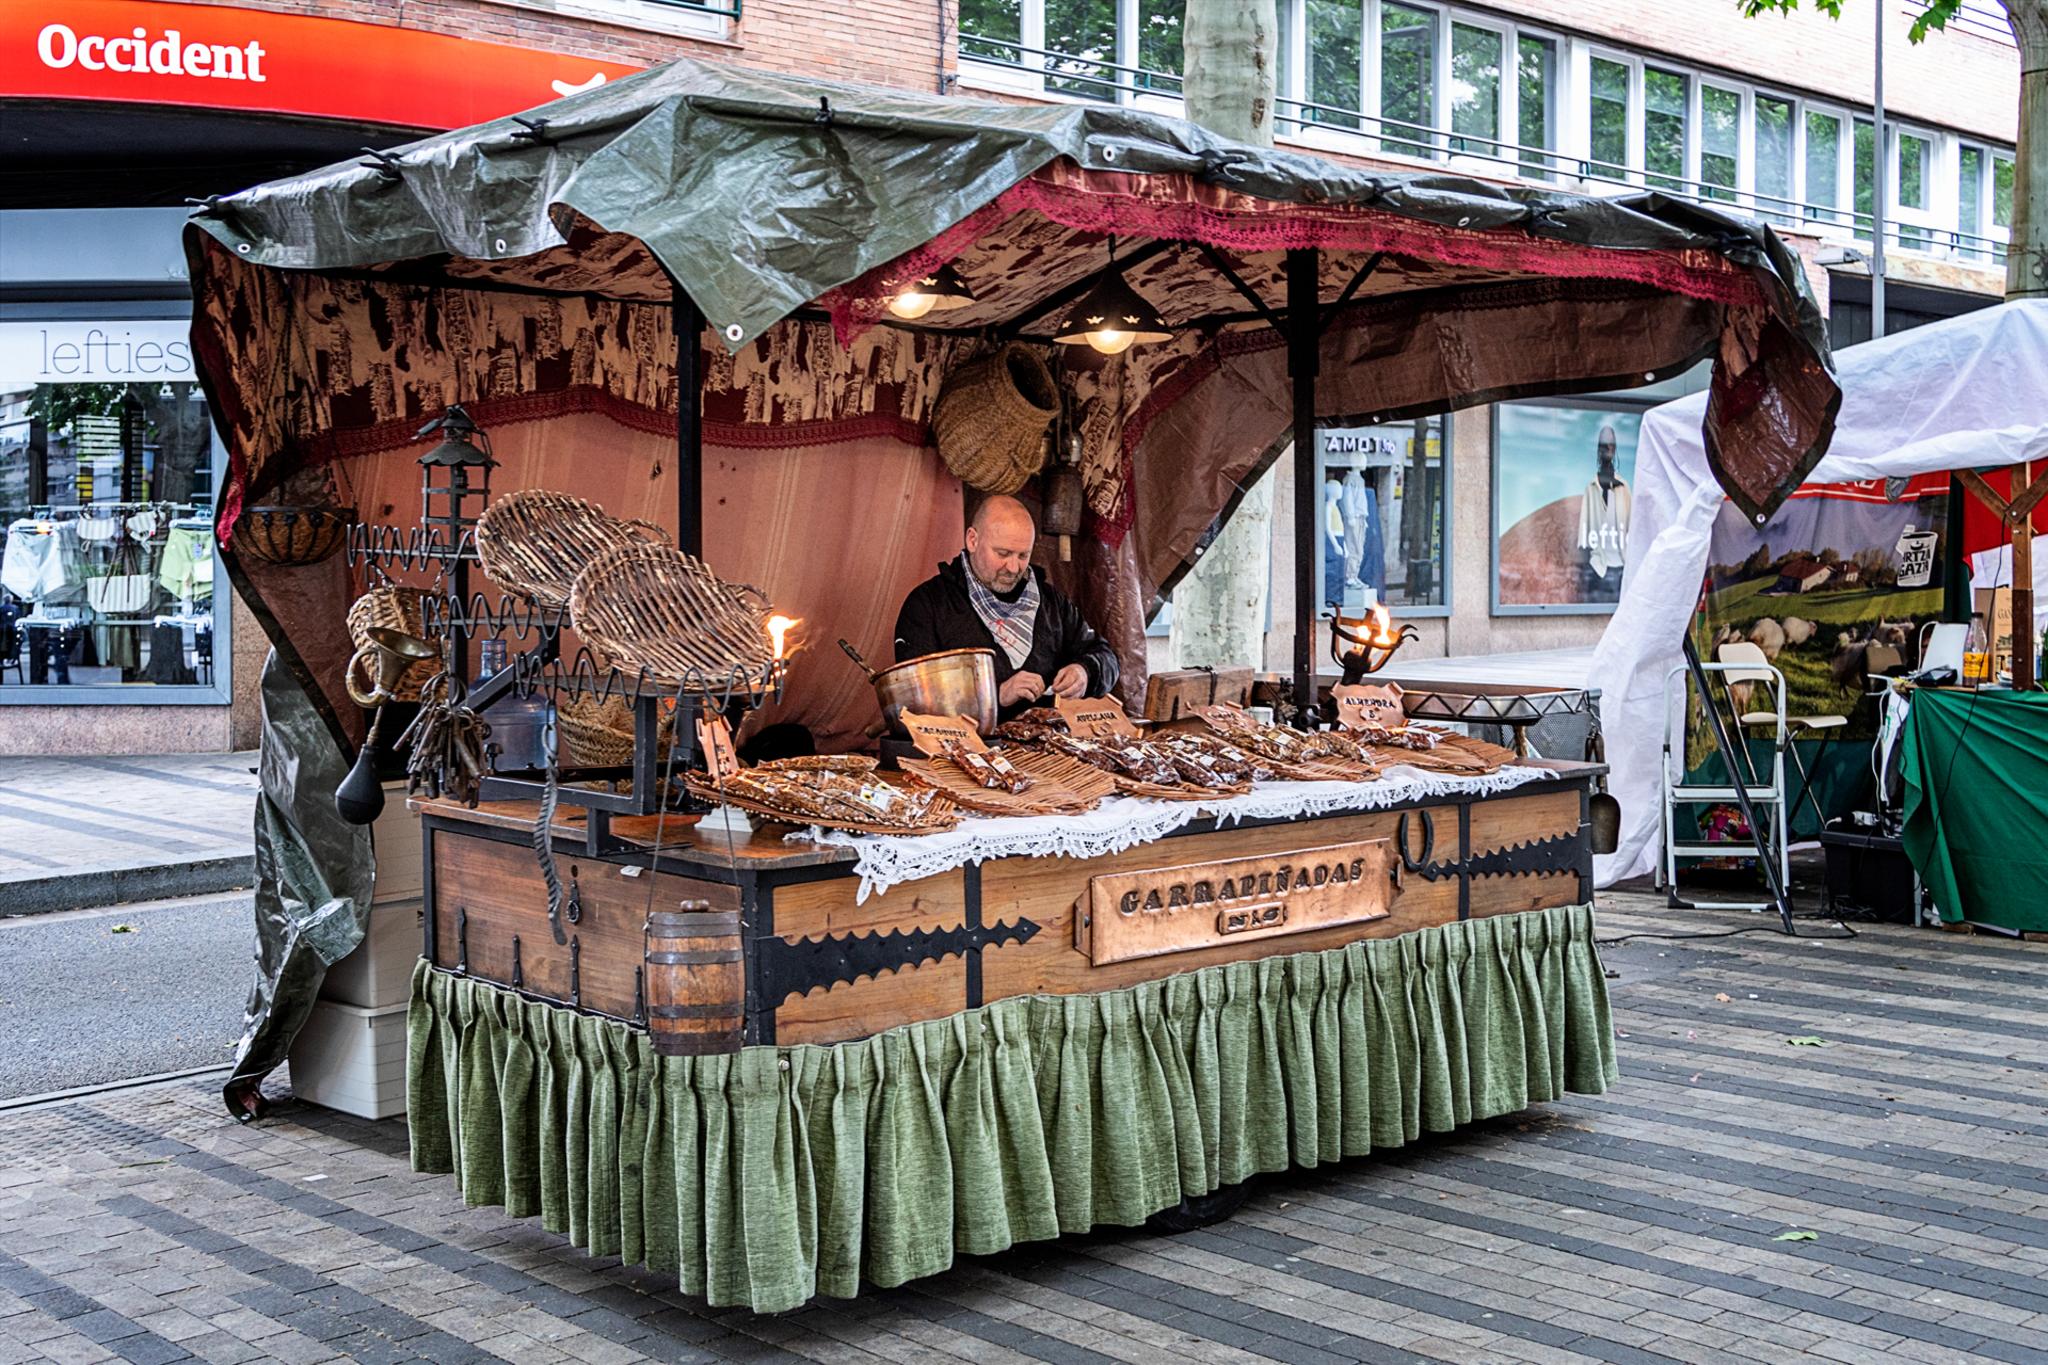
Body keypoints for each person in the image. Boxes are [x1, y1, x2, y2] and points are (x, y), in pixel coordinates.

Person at [895, 495, 1120, 718]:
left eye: (1023, 555)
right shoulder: (927, 605)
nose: (1013, 568)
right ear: (972, 540)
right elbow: (911, 699)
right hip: (968, 740)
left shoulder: (1051, 602)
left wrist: (1085, 671)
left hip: (1048, 739)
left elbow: (1106, 657)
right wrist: (995, 695)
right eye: (1003, 554)